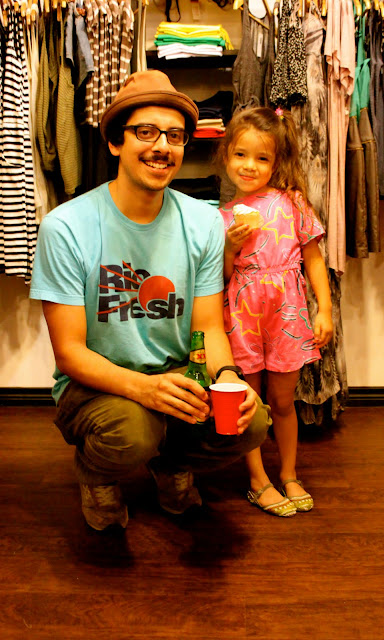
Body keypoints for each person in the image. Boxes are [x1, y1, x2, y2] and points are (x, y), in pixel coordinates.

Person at [29, 71, 271, 531]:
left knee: (252, 420)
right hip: (94, 386)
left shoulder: (203, 223)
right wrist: (145, 389)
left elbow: (207, 327)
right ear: (115, 142)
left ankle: (172, 463)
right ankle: (98, 475)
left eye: (175, 136)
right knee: (131, 429)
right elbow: (70, 352)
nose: (162, 146)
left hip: (177, 374)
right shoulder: (66, 227)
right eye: (146, 132)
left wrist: (228, 377)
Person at [216, 106, 333, 517]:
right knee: (247, 401)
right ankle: (257, 479)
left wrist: (324, 310)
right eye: (240, 155)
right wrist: (230, 246)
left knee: (283, 400)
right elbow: (222, 276)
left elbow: (314, 259)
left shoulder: (293, 203)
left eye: (261, 157)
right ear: (226, 156)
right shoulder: (220, 218)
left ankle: (288, 473)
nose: (249, 165)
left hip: (287, 313)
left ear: (276, 162)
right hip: (242, 315)